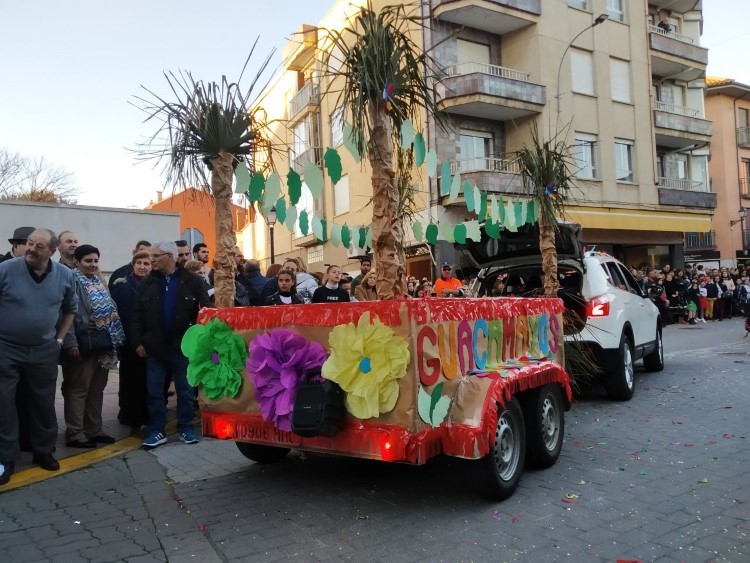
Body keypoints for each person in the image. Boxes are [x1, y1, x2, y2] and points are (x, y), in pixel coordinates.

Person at [0, 229, 78, 485]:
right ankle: (5, 458)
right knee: (4, 403)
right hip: (6, 347)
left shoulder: (65, 275)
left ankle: (44, 452)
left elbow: (70, 311)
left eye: (39, 246)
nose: (32, 249)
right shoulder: (7, 269)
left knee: (43, 403)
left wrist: (58, 339)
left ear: (52, 251)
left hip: (44, 349)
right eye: (30, 243)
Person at [132, 241, 211, 448]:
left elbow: (207, 310)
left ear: (169, 256)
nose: (151, 260)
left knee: (185, 390)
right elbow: (136, 315)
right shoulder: (146, 283)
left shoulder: (192, 280)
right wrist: (138, 341)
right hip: (155, 347)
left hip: (183, 347)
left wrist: (200, 340)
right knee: (155, 390)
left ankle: (186, 428)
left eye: (156, 256)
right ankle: (157, 431)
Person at [60, 245, 126, 448]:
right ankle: (75, 434)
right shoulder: (71, 280)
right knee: (78, 389)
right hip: (81, 344)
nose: (93, 264)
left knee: (97, 389)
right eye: (88, 261)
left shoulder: (98, 280)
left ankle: (94, 430)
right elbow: (65, 314)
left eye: (96, 260)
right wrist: (70, 342)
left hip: (103, 343)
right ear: (77, 262)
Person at [111, 250, 153, 429]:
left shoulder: (155, 285)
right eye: (139, 263)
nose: (142, 267)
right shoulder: (122, 286)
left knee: (147, 380)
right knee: (129, 380)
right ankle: (129, 414)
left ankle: (145, 415)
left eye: (146, 264)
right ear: (133, 264)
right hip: (128, 341)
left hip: (149, 341)